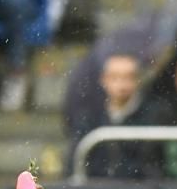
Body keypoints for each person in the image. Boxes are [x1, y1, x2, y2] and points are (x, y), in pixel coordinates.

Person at [65, 52, 160, 180]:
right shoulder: (90, 117)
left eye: (128, 77)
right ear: (104, 80)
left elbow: (154, 166)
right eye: (115, 77)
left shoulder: (154, 116)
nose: (121, 84)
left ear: (138, 80)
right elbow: (75, 160)